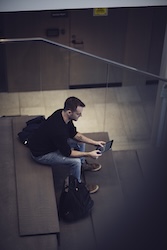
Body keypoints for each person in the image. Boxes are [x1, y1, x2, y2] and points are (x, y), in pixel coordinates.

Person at [28, 96, 106, 194]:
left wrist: (95, 142)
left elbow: (75, 135)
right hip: (41, 154)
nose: (80, 115)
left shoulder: (62, 114)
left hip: (52, 144)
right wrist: (89, 154)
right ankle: (76, 187)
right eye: (78, 113)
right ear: (69, 112)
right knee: (75, 162)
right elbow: (68, 153)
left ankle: (82, 166)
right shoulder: (58, 130)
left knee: (80, 143)